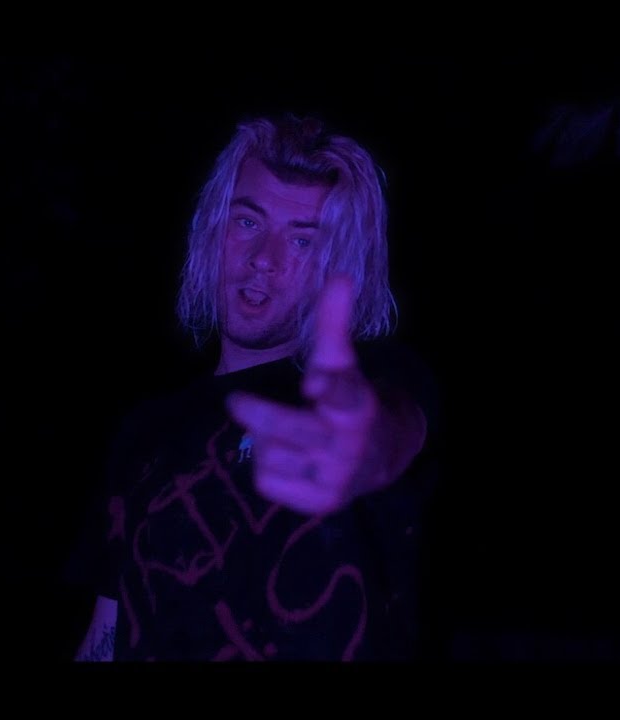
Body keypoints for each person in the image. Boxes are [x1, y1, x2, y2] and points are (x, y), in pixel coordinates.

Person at [68, 113, 439, 661]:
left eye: (303, 240)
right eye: (247, 222)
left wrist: (369, 447)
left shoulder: (374, 382)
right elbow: (106, 632)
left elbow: (394, 427)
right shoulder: (145, 432)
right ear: (212, 227)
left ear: (342, 264)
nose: (265, 258)